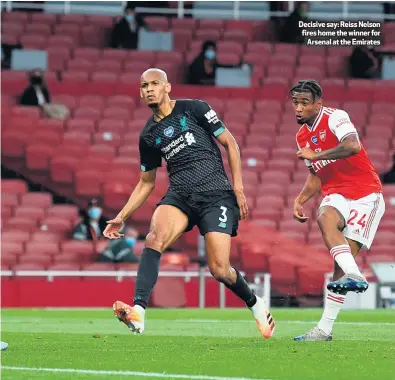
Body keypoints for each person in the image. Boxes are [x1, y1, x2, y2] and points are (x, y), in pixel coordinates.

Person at [104, 68, 275, 338]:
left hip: (215, 193)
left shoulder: (194, 109)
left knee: (219, 270)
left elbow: (230, 143)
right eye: (143, 85)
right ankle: (138, 311)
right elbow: (146, 182)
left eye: (154, 84)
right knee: (153, 238)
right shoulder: (148, 135)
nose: (148, 89)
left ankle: (255, 303)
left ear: (167, 87)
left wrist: (238, 188)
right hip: (180, 195)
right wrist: (122, 216)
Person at [291, 80, 385, 341]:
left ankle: (324, 329)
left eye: (304, 103)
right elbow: (316, 176)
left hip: (366, 194)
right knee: (324, 218)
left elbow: (353, 145)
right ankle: (356, 274)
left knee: (339, 270)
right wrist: (300, 199)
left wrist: (316, 155)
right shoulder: (301, 136)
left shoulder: (336, 117)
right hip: (336, 193)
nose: (298, 108)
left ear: (318, 104)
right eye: (295, 102)